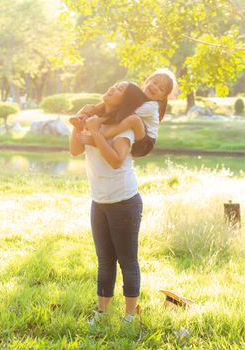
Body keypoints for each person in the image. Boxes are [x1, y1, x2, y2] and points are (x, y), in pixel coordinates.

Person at [69, 81, 148, 325]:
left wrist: (94, 131)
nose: (113, 89)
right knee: (104, 259)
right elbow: (74, 150)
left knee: (127, 259)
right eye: (114, 86)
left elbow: (116, 160)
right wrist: (79, 124)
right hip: (99, 200)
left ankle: (129, 316)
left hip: (123, 200)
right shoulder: (96, 119)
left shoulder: (123, 127)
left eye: (119, 90)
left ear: (124, 101)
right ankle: (102, 313)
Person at [70, 69, 176, 157]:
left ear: (162, 97)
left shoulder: (151, 106)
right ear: (147, 82)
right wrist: (92, 110)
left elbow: (126, 112)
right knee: (103, 104)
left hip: (144, 143)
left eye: (160, 88)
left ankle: (98, 138)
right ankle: (82, 118)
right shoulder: (139, 97)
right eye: (154, 82)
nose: (155, 87)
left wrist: (100, 120)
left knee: (133, 119)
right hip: (138, 133)